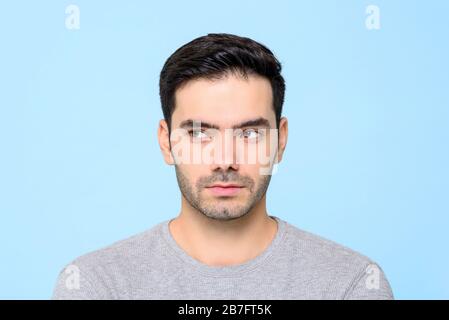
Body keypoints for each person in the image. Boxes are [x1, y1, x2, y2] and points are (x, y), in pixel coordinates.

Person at [52, 33, 393, 299]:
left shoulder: (351, 286)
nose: (225, 160)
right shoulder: (94, 287)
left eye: (249, 133)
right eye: (200, 133)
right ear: (166, 141)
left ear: (281, 140)